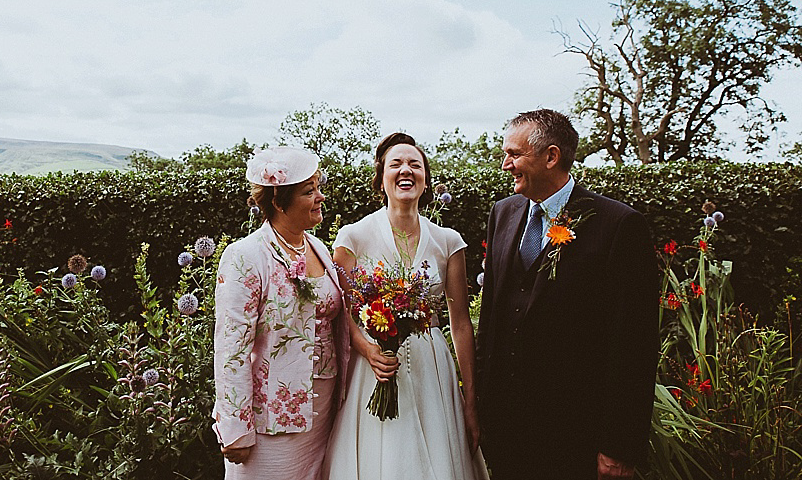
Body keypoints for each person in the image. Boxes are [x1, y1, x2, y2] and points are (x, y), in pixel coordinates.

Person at [475, 109, 660, 480]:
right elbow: (492, 319)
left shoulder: (618, 226)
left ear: (551, 156)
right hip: (506, 430)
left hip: (575, 435)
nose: (505, 164)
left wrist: (619, 444)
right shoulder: (503, 213)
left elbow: (635, 345)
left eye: (513, 154)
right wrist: (481, 408)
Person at [324, 132, 488, 480]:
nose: (406, 170)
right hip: (375, 367)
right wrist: (369, 350)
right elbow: (342, 311)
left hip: (433, 369)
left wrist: (470, 403)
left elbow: (460, 324)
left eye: (415, 164)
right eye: (396, 164)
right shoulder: (353, 237)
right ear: (381, 178)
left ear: (426, 181)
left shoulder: (448, 241)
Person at [213, 146, 351, 480]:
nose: (320, 197)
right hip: (272, 417)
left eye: (318, 187)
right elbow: (231, 349)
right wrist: (235, 429)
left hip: (325, 409)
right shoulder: (245, 257)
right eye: (309, 191)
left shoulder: (318, 247)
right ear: (278, 202)